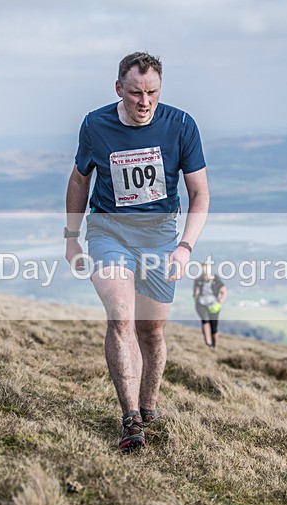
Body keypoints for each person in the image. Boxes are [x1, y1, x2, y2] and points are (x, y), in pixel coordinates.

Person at [64, 52, 209, 452]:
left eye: (152, 93)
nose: (144, 102)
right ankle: (130, 421)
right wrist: (71, 237)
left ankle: (148, 409)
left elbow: (200, 194)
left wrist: (184, 247)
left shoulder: (181, 125)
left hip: (161, 236)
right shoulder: (96, 125)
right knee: (122, 319)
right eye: (135, 93)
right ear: (119, 89)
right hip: (109, 231)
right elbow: (79, 180)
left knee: (151, 329)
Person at [193, 261, 227, 349]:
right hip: (201, 304)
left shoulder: (215, 279)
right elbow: (194, 291)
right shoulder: (198, 279)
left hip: (214, 305)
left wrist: (219, 303)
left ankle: (214, 346)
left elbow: (224, 292)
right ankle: (207, 343)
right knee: (205, 322)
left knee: (214, 329)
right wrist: (196, 299)